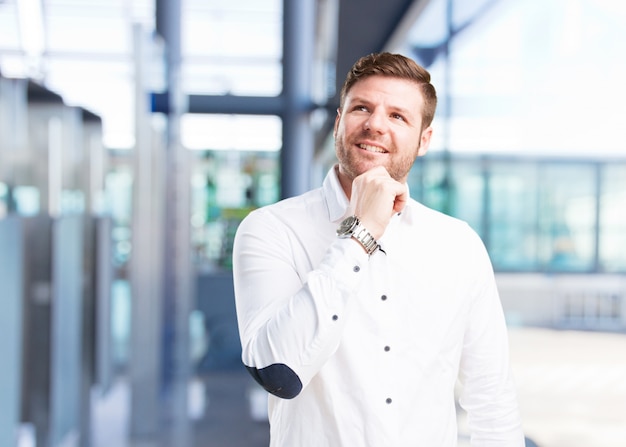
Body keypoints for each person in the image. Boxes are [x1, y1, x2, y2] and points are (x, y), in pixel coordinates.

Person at [232, 52, 524, 446]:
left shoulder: (459, 244)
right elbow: (277, 372)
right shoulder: (271, 229)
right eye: (361, 108)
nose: (374, 125)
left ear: (424, 140)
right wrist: (360, 231)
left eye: (398, 116)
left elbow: (491, 397)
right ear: (338, 123)